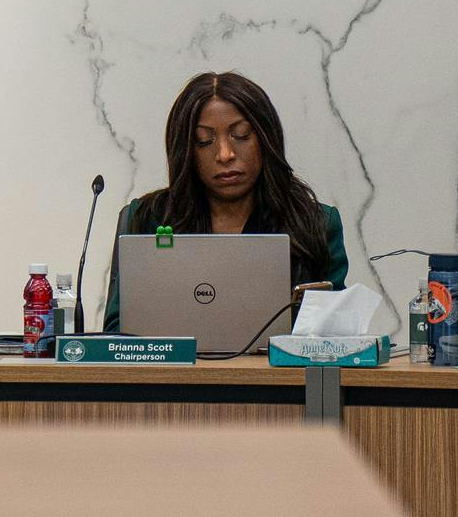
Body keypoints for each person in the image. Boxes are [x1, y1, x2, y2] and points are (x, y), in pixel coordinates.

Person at [102, 71, 346, 332]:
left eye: (241, 135)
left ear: (266, 139)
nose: (225, 154)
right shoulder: (148, 218)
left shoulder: (315, 223)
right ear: (185, 150)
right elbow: (118, 328)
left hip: (275, 373)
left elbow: (337, 332)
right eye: (204, 141)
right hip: (175, 372)